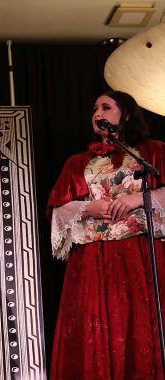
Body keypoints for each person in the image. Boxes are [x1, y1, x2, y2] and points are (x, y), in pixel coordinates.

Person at [47, 90, 165, 379]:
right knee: (95, 323)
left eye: (105, 107)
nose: (97, 113)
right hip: (94, 258)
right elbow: (57, 211)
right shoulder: (77, 163)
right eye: (94, 109)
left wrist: (138, 199)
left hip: (140, 253)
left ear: (124, 114)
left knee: (143, 325)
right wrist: (90, 207)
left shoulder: (153, 151)